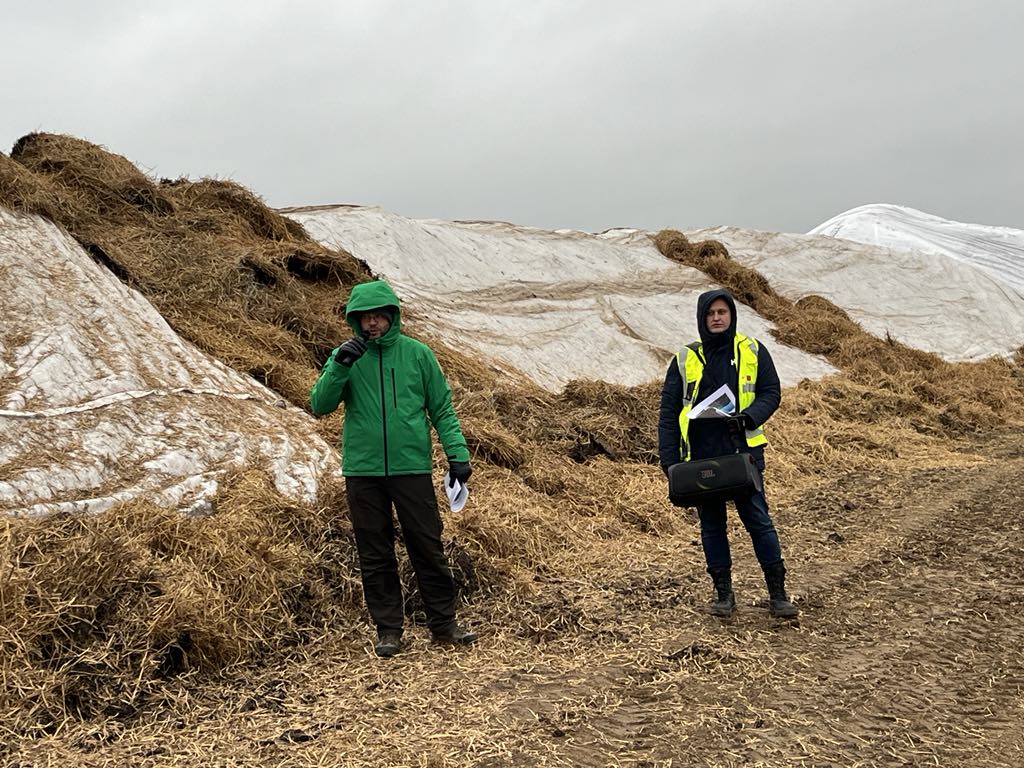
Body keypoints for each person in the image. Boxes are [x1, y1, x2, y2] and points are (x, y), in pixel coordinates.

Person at [310, 279, 477, 656]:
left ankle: (444, 625)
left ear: (392, 316)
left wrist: (458, 454)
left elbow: (442, 408)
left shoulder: (418, 354)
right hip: (363, 471)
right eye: (365, 317)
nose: (372, 323)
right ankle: (388, 630)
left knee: (427, 545)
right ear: (355, 320)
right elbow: (319, 405)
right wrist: (339, 366)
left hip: (410, 467)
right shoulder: (345, 357)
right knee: (375, 552)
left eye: (379, 316)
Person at [658, 288, 799, 619]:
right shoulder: (684, 359)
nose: (717, 318)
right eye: (710, 313)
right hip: (701, 456)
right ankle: (723, 594)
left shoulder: (752, 349)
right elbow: (668, 412)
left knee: (758, 521)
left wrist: (749, 417)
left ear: (732, 315)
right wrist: (669, 460)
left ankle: (778, 594)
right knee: (712, 527)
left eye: (722, 312)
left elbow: (770, 391)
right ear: (701, 319)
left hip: (743, 453)